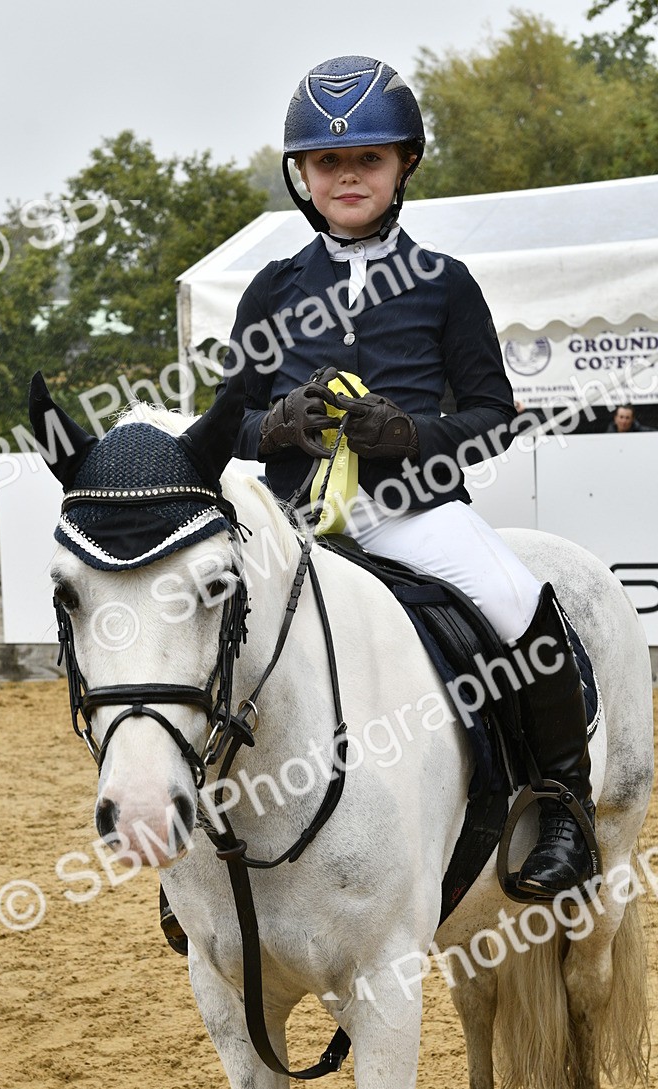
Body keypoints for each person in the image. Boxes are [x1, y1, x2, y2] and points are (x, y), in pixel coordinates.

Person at [217, 55, 596, 901]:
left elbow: (494, 416)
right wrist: (273, 424)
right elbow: (223, 426)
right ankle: (197, 851)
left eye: (369, 159)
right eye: (328, 163)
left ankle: (567, 810)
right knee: (206, 623)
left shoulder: (446, 285)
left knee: (517, 600)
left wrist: (413, 434)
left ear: (405, 165)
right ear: (303, 176)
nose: (347, 175)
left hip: (412, 514)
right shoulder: (271, 291)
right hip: (296, 522)